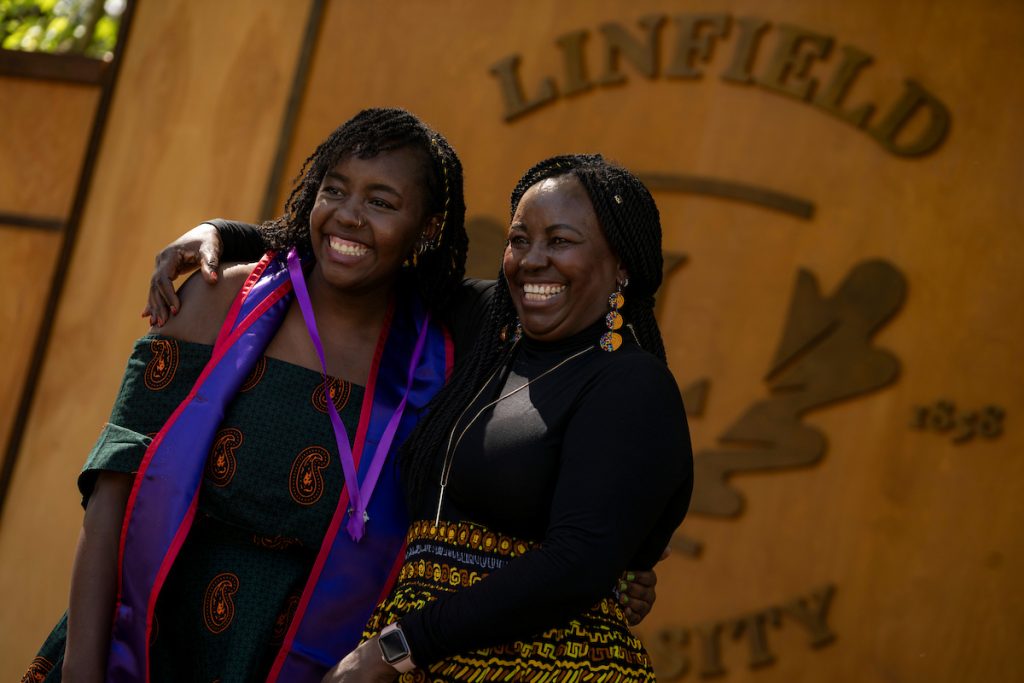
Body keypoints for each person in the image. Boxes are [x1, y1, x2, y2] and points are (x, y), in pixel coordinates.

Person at [25, 112, 658, 683]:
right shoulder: (223, 299)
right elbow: (114, 484)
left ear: (427, 227)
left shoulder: (445, 342)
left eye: (382, 201)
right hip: (151, 637)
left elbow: (528, 464)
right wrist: (84, 667)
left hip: (324, 653)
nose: (349, 215)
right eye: (333, 190)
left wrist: (618, 566)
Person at [323, 154, 694, 682]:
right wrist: (220, 235)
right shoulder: (492, 333)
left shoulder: (632, 386)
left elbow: (576, 564)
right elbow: (364, 260)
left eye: (560, 241)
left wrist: (394, 649)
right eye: (520, 239)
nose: (532, 260)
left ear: (622, 265)